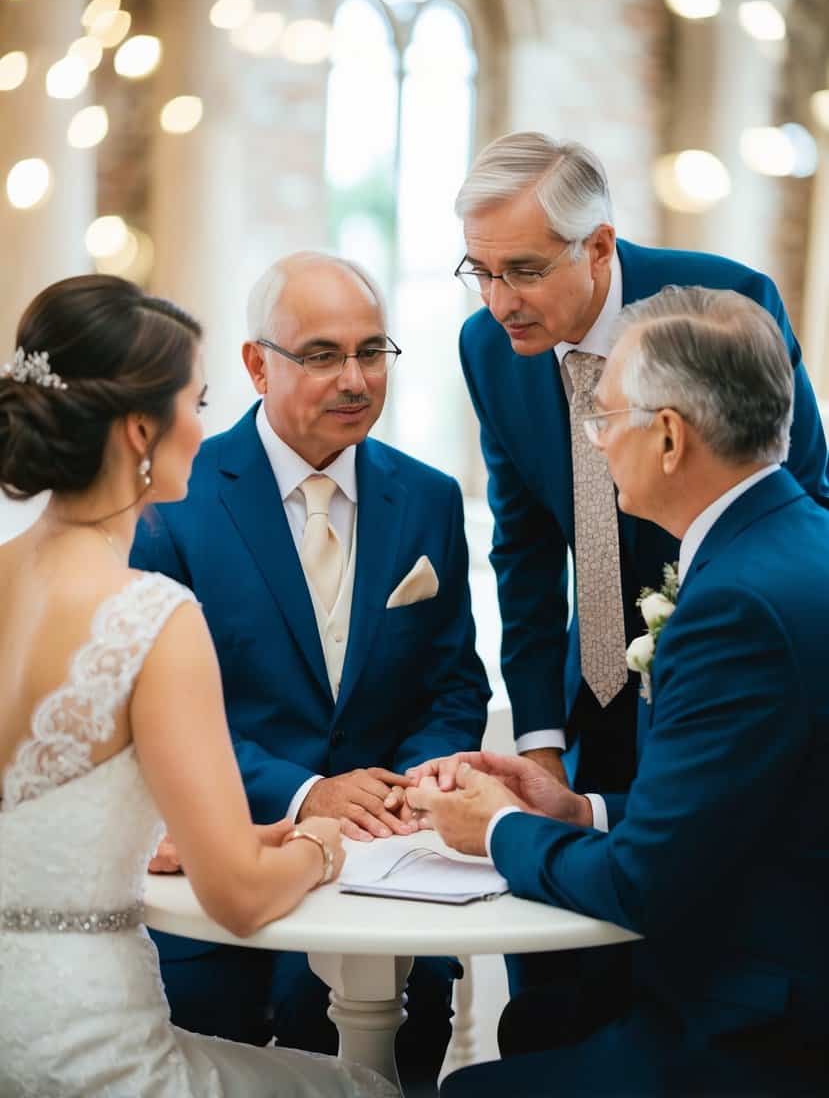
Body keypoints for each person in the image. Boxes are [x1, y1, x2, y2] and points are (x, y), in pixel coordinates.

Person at [453, 131, 829, 1040]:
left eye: (524, 271)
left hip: (726, 673)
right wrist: (542, 742)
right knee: (548, 1004)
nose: (500, 302)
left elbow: (800, 491)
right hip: (591, 703)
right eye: (479, 271)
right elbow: (524, 547)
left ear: (599, 247)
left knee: (680, 959)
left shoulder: (723, 303)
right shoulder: (486, 348)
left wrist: (708, 643)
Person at [0, 274, 396, 1098]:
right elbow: (242, 903)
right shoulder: (150, 614)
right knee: (367, 1088)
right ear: (142, 429)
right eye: (199, 401)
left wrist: (221, 838)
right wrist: (322, 846)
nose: (206, 428)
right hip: (89, 1057)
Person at [132, 252, 490, 1093]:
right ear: (258, 364)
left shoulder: (428, 498)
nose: (355, 379)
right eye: (321, 355)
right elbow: (152, 713)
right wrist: (305, 794)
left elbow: (453, 683)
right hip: (225, 877)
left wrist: (416, 781)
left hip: (393, 880)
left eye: (373, 351)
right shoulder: (177, 499)